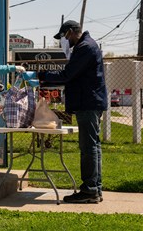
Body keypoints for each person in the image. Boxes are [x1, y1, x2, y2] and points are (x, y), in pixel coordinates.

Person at [38, 20, 108, 204]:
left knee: (88, 148)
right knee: (93, 146)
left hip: (88, 102)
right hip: (89, 101)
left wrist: (42, 75)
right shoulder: (87, 46)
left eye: (63, 37)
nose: (63, 41)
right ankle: (95, 189)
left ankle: (90, 190)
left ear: (70, 32)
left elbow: (68, 74)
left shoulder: (84, 47)